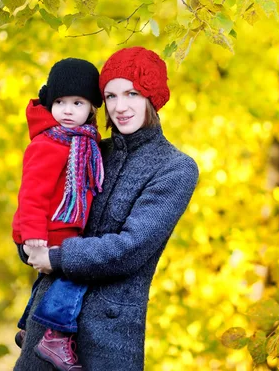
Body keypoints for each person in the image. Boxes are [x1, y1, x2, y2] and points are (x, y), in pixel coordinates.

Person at [15, 46, 199, 371]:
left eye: (131, 93)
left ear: (151, 98)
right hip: (47, 323)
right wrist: (29, 244)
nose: (120, 107)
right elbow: (42, 204)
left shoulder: (175, 168)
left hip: (108, 333)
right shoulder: (88, 148)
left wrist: (56, 257)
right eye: (111, 96)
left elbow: (130, 249)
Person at [12, 58, 104, 370]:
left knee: (52, 279)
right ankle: (56, 336)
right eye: (60, 102)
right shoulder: (48, 144)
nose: (67, 110)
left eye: (77, 103)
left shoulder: (85, 143)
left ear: (92, 107)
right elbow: (32, 194)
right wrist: (35, 240)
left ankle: (28, 327)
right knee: (77, 273)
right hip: (40, 233)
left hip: (60, 232)